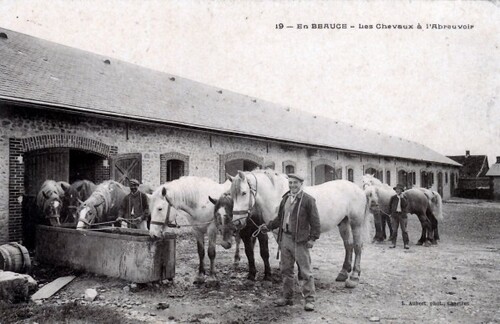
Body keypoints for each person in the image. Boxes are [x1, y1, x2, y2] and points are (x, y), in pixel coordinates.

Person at [262, 173, 320, 312]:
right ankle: (287, 297)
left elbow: (315, 222)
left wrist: (312, 238)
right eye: (290, 183)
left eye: (295, 183)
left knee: (305, 271)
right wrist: (268, 226)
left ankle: (309, 300)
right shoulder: (285, 198)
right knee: (286, 270)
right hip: (285, 239)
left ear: (301, 184)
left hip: (300, 241)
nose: (292, 185)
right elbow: (279, 218)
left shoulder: (308, 200)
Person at [389, 183, 409, 249]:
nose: (397, 190)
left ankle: (406, 244)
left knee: (404, 230)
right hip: (395, 216)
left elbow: (405, 205)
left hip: (402, 216)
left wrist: (402, 198)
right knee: (394, 230)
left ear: (401, 190)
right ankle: (393, 243)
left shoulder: (405, 197)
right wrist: (390, 214)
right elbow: (390, 206)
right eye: (396, 189)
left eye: (399, 189)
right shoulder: (393, 198)